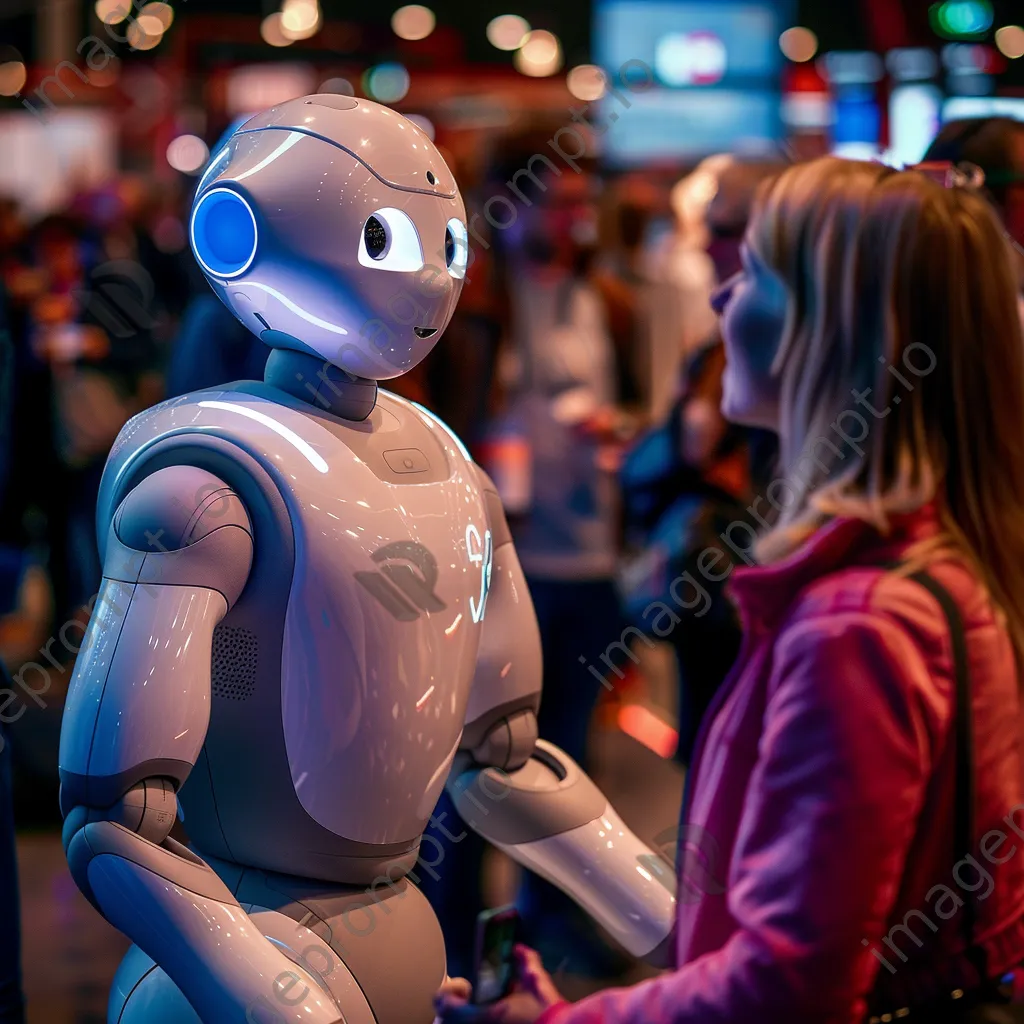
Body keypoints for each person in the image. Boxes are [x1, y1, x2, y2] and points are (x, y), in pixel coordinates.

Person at [436, 156, 1024, 1022]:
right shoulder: (930, 568)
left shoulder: (855, 627)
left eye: (752, 272)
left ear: (827, 329)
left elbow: (787, 986)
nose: (720, 299)